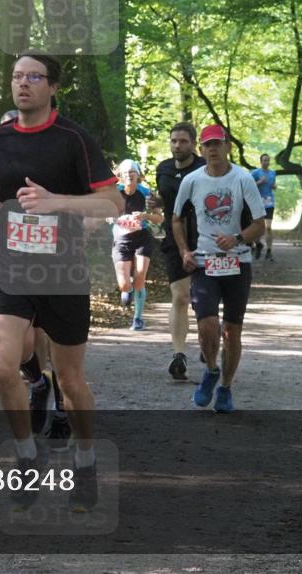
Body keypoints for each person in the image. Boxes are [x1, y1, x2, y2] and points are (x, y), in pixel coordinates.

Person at [0, 51, 122, 511]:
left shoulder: (73, 139)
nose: (23, 84)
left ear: (53, 87)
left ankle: (85, 459)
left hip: (62, 272)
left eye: (34, 77)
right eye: (17, 77)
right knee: (1, 367)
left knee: (71, 381)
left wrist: (57, 201)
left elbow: (112, 204)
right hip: (9, 269)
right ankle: (26, 456)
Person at [172, 124, 265, 414]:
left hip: (238, 262)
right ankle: (211, 370)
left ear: (227, 147)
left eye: (217, 143)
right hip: (205, 262)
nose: (213, 149)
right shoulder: (191, 180)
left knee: (231, 332)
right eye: (207, 145)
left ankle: (225, 387)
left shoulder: (243, 178)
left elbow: (259, 225)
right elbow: (175, 219)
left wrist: (237, 238)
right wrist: (184, 251)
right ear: (201, 150)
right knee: (207, 325)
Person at [154, 123, 206, 380]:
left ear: (194, 144)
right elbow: (167, 202)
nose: (177, 146)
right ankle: (178, 355)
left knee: (204, 297)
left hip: (204, 238)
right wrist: (158, 202)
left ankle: (208, 341)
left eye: (183, 141)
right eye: (174, 141)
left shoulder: (204, 168)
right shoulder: (162, 169)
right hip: (174, 240)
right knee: (180, 296)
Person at [110, 159, 164, 331]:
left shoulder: (146, 193)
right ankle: (128, 288)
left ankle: (138, 318)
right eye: (125, 172)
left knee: (140, 276)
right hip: (121, 240)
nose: (129, 175)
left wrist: (144, 216)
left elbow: (159, 218)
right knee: (124, 284)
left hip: (142, 238)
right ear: (120, 175)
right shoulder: (114, 193)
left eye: (132, 172)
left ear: (138, 175)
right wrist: (113, 218)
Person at [251, 153, 277, 261]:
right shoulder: (255, 173)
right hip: (258, 202)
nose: (266, 162)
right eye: (264, 160)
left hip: (269, 202)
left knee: (268, 227)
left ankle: (269, 250)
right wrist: (260, 182)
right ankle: (258, 244)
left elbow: (274, 185)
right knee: (256, 226)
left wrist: (274, 186)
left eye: (268, 160)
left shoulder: (273, 173)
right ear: (260, 161)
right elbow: (250, 186)